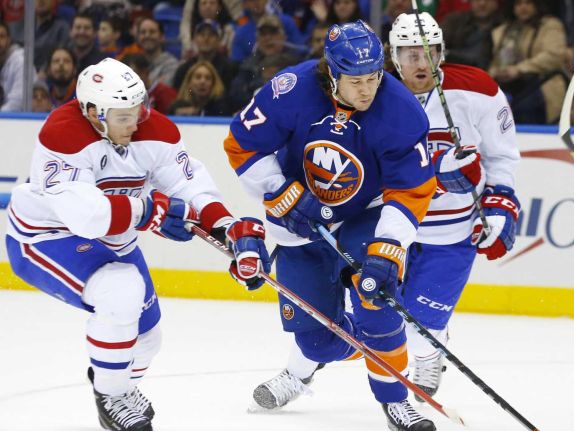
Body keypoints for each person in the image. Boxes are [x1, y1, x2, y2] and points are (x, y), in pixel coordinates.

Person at [249, 10, 521, 413]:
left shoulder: (478, 90)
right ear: (392, 56)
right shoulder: (371, 90)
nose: (421, 64)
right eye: (410, 54)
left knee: (419, 324)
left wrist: (501, 202)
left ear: (442, 52)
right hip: (385, 219)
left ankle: (430, 351)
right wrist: (442, 171)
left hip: (447, 229)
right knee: (370, 308)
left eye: (429, 53)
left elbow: (503, 157)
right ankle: (300, 370)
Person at [4, 57, 249, 431]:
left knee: (148, 339)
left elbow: (189, 186)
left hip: (114, 241)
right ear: (92, 112)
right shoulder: (63, 133)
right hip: (47, 236)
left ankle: (114, 383)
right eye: (122, 116)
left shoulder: (152, 128)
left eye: (138, 110)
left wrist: (229, 228)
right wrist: (149, 210)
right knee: (121, 290)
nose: (134, 123)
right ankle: (112, 395)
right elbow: (85, 217)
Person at [223, 20, 439, 431]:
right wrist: (280, 191)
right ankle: (367, 349)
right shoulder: (290, 89)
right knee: (316, 342)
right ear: (331, 73)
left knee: (376, 299)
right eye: (356, 80)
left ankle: (395, 398)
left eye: (374, 77)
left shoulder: (401, 112)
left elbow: (412, 189)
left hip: (366, 216)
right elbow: (241, 145)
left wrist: (388, 248)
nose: (367, 89)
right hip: (298, 222)